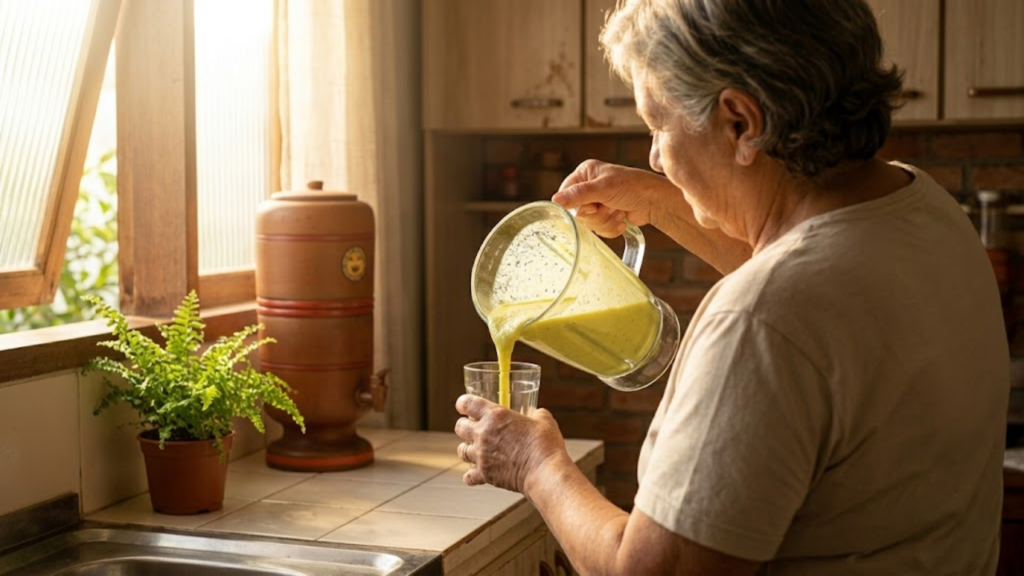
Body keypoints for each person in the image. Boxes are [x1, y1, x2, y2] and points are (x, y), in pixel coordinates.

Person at [454, 0, 1010, 573]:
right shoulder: (925, 208)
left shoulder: (760, 321)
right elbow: (808, 265)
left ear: (741, 123)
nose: (655, 157)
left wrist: (536, 464)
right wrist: (659, 202)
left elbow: (650, 572)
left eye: (657, 126)